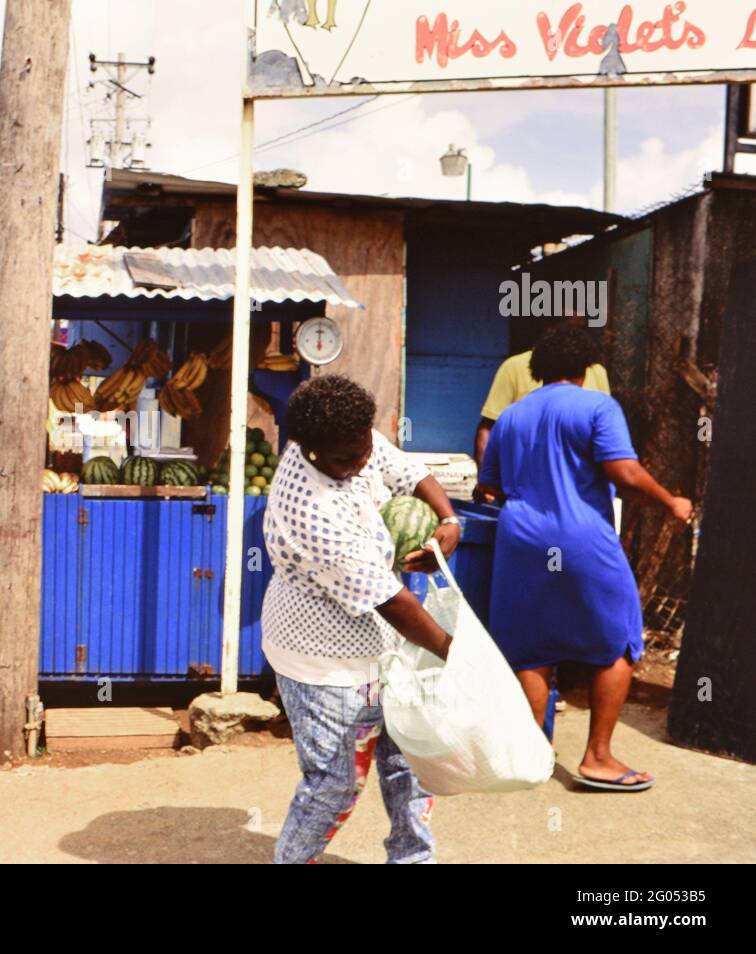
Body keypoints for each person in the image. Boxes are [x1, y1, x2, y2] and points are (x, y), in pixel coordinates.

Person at [477, 325, 692, 792]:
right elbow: (625, 474)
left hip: (520, 541)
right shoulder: (597, 406)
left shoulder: (510, 417)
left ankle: (530, 755)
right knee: (620, 639)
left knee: (528, 649)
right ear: (585, 370)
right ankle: (597, 758)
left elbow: (488, 484)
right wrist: (671, 502)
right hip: (580, 537)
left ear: (536, 372)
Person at [262, 374, 461, 864]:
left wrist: (449, 520)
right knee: (334, 785)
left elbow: (405, 470)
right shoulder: (309, 508)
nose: (361, 464)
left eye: (363, 449)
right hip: (323, 662)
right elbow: (391, 600)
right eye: (345, 460)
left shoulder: (353, 437)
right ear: (308, 450)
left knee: (412, 762)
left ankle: (413, 859)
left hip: (384, 647)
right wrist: (457, 654)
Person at [474, 333, 611, 470]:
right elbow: (489, 427)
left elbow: (606, 437)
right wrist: (486, 478)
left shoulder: (595, 372)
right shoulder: (515, 369)